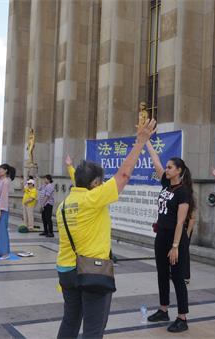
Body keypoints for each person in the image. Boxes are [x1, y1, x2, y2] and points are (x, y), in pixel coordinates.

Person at [56, 118, 157, 339]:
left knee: (70, 321)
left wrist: (71, 167)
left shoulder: (64, 205)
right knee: (94, 328)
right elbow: (123, 175)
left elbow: (79, 179)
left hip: (66, 270)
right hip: (92, 270)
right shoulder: (93, 199)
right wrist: (140, 142)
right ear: (94, 185)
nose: (103, 186)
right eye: (101, 182)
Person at [145, 140, 195, 333]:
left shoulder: (184, 192)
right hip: (162, 236)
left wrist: (175, 246)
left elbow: (180, 222)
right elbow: (155, 161)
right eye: (166, 167)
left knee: (178, 277)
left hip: (176, 240)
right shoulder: (166, 184)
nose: (166, 169)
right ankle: (163, 309)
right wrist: (146, 141)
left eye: (170, 167)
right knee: (162, 274)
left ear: (179, 170)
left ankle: (182, 317)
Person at [0, 149, 15, 260]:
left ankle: (5, 252)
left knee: (2, 229)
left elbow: (4, 197)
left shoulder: (6, 181)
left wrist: (0, 209)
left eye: (1, 169)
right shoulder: (0, 178)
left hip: (2, 207)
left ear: (5, 171)